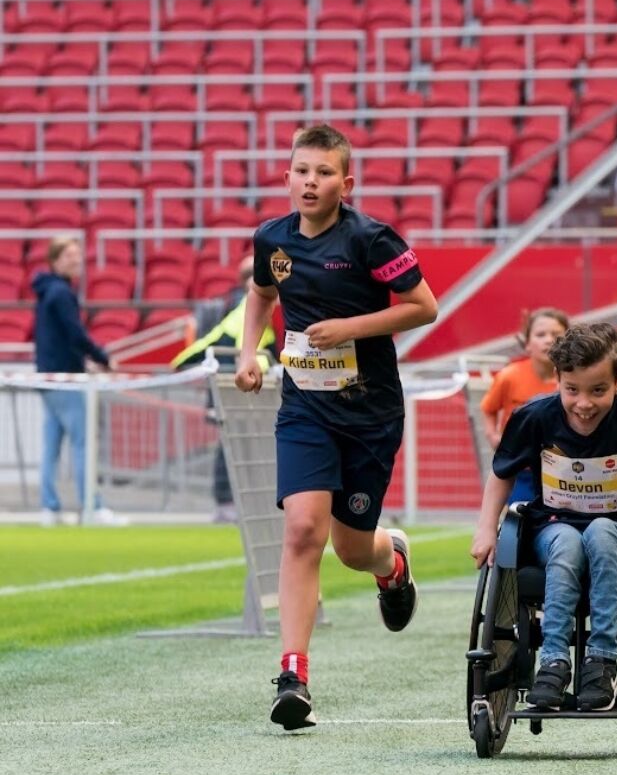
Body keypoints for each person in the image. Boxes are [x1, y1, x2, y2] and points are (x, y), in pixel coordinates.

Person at [237, 123, 439, 731]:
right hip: (305, 407)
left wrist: (349, 327)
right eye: (302, 170)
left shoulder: (371, 240)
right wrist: (250, 353)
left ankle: (391, 562)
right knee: (302, 530)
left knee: (352, 548)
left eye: (324, 173)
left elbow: (424, 306)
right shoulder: (272, 239)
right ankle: (293, 675)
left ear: (344, 184)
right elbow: (260, 293)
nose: (310, 181)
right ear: (287, 175)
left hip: (370, 412)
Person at [471, 324, 617, 710]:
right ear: (557, 380)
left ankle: (601, 662)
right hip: (553, 527)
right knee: (566, 540)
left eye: (598, 391)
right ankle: (554, 662)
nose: (583, 404)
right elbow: (501, 474)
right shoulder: (535, 417)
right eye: (572, 390)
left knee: (600, 532)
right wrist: (485, 530)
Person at [170, 254, 276, 523]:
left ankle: (237, 502)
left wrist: (179, 363)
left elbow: (216, 342)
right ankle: (228, 502)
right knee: (234, 447)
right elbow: (244, 349)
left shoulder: (247, 306)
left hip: (246, 389)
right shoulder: (245, 309)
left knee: (242, 448)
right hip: (238, 390)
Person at [31, 236, 123, 527]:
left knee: (52, 444)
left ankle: (49, 507)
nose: (76, 260)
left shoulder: (49, 291)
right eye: (69, 255)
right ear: (56, 260)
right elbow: (75, 335)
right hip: (65, 379)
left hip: (50, 378)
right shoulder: (60, 293)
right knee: (83, 442)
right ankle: (91, 507)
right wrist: (103, 358)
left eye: (78, 254)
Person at [478, 307, 569, 502]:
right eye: (540, 334)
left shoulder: (574, 381)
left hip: (563, 470)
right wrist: (493, 435)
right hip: (519, 469)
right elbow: (488, 408)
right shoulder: (509, 376)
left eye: (556, 334)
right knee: (519, 518)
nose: (548, 339)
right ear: (527, 343)